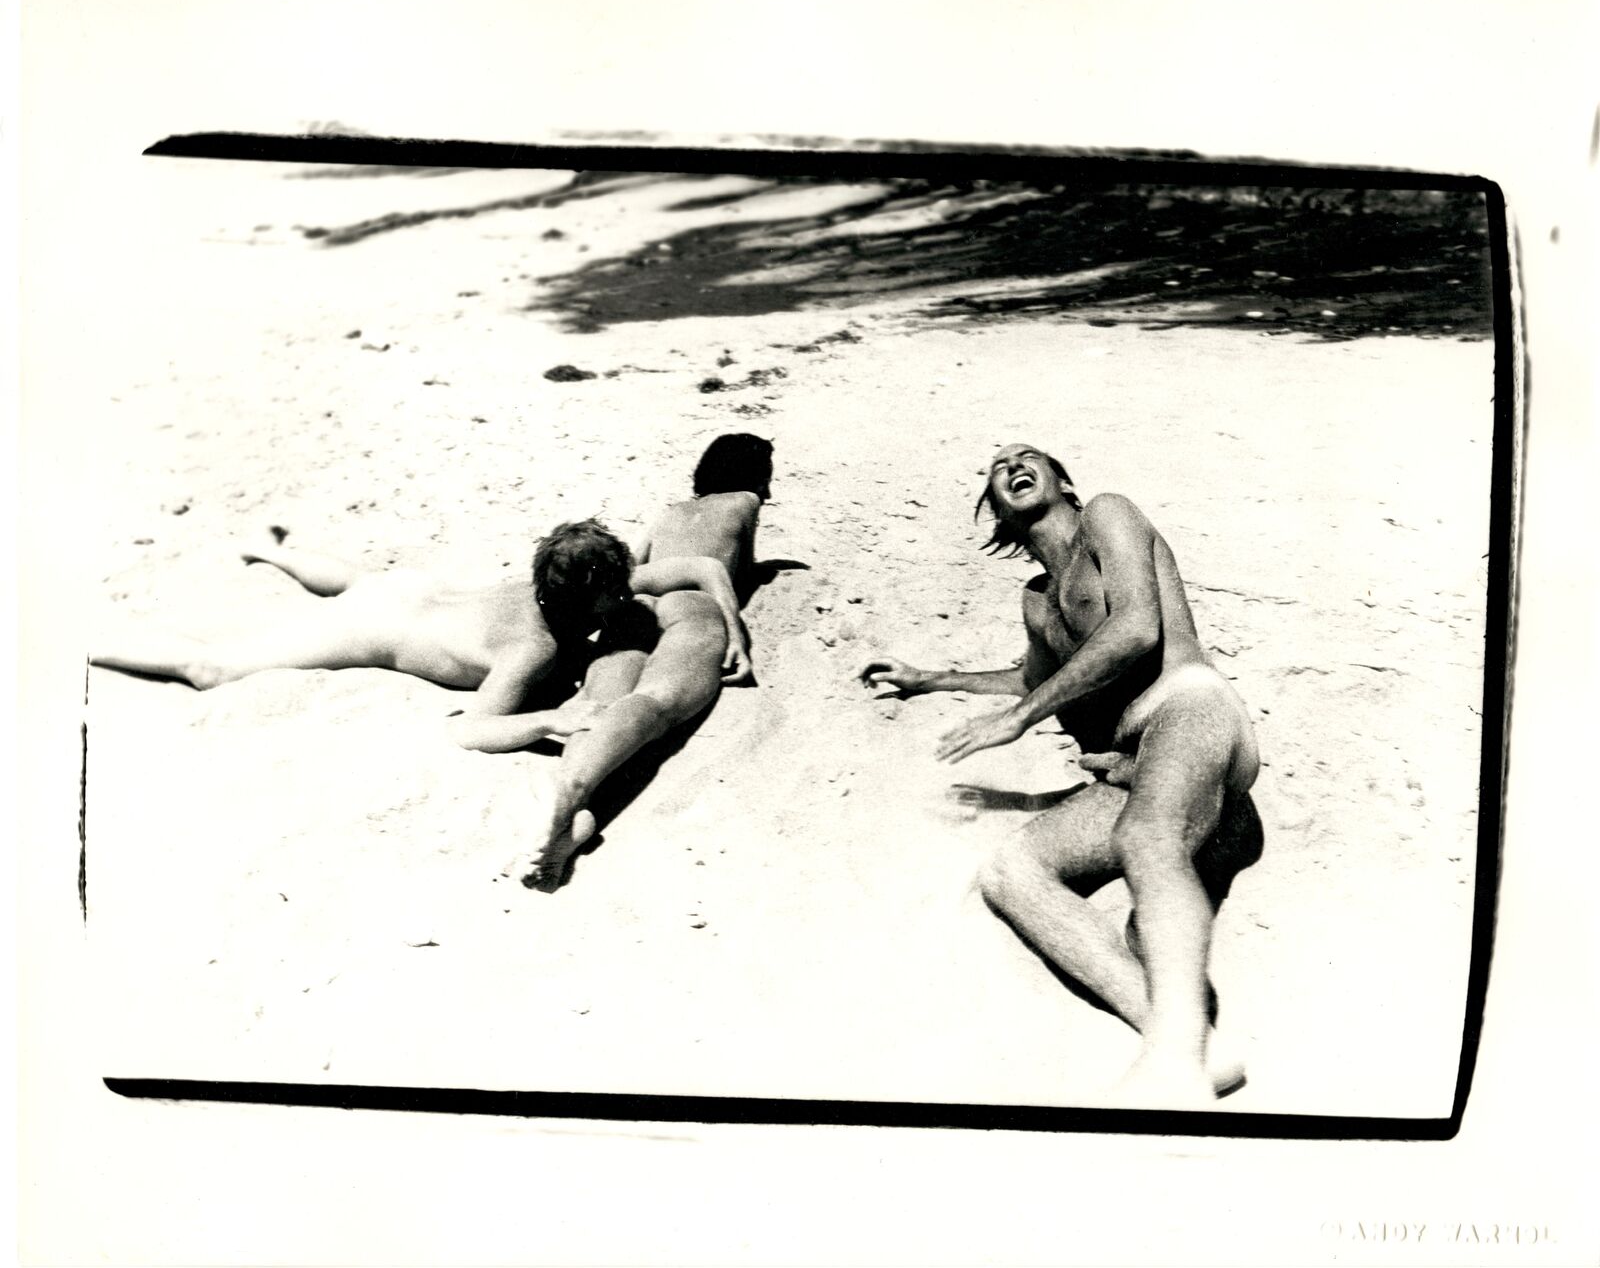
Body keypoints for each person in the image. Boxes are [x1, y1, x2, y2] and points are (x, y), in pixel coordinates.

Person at [859, 443, 1260, 1107]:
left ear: (1063, 480)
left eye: (1027, 457)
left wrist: (1022, 718)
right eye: (997, 466)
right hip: (1132, 768)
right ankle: (1197, 1045)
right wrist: (928, 679)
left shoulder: (1108, 515)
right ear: (995, 509)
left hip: (1192, 710)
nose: (1013, 464)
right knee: (1009, 871)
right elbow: (1032, 679)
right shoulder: (1038, 603)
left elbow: (1134, 628)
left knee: (1146, 840)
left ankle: (1170, 1066)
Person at [451, 433, 774, 889]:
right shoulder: (745, 500)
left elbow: (631, 568)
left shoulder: (668, 513)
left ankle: (570, 810)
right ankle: (571, 802)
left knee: (597, 704)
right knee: (657, 701)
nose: (769, 490)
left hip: (634, 603)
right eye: (767, 479)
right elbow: (725, 566)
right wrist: (736, 631)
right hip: (691, 599)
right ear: (754, 476)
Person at [91, 518, 744, 724]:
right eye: (617, 594)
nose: (628, 598)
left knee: (361, 581)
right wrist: (552, 718)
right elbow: (472, 731)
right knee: (213, 667)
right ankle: (85, 637)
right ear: (586, 602)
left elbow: (702, 571)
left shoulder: (574, 586)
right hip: (381, 627)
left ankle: (270, 550)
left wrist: (734, 630)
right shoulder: (533, 650)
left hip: (410, 593)